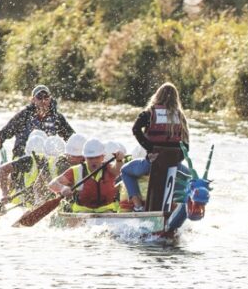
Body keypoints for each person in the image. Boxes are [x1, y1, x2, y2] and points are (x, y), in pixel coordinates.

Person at [122, 83, 190, 212]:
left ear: (157, 95)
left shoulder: (149, 114)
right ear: (176, 98)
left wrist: (150, 148)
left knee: (125, 170)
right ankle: (178, 207)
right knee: (188, 177)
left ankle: (138, 206)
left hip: (151, 162)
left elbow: (135, 129)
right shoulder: (180, 116)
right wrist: (177, 159)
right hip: (174, 165)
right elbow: (186, 144)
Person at [0, 85, 76, 158]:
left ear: (50, 99)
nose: (43, 101)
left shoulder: (57, 118)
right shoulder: (24, 115)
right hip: (22, 157)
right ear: (33, 100)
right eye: (39, 97)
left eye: (46, 97)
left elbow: (72, 138)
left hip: (46, 161)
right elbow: (5, 132)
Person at [48, 138, 124, 213]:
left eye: (97, 157)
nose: (94, 161)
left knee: (108, 213)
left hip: (107, 211)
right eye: (90, 158)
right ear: (85, 158)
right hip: (82, 212)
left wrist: (119, 160)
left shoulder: (109, 168)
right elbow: (52, 184)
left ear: (103, 157)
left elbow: (118, 171)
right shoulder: (76, 170)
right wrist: (62, 188)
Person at [0, 132, 51, 205]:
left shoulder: (48, 160)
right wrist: (5, 194)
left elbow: (2, 172)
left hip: (30, 201)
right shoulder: (26, 161)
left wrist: (4, 194)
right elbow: (2, 170)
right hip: (24, 202)